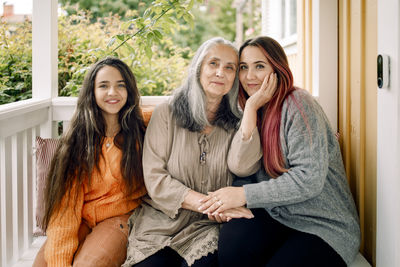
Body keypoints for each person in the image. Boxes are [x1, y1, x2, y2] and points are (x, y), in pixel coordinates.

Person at [198, 36, 361, 266]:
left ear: (278, 69)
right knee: (233, 248)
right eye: (244, 67)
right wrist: (227, 203)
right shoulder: (248, 108)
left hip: (323, 223)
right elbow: (241, 168)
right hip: (277, 213)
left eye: (260, 66)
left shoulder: (299, 104)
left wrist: (244, 195)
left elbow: (308, 179)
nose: (250, 76)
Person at [122, 37, 254, 267]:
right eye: (213, 63)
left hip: (209, 226)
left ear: (235, 78)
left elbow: (245, 168)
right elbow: (155, 179)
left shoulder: (240, 122)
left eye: (229, 67)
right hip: (161, 222)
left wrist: (251, 108)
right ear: (198, 68)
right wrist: (207, 203)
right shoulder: (166, 113)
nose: (220, 73)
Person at [33, 57, 147, 267]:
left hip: (122, 218)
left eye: (120, 85)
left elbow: (170, 115)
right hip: (81, 219)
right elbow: (65, 211)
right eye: (104, 86)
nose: (112, 92)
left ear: (129, 91)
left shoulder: (140, 127)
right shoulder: (77, 141)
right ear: (92, 92)